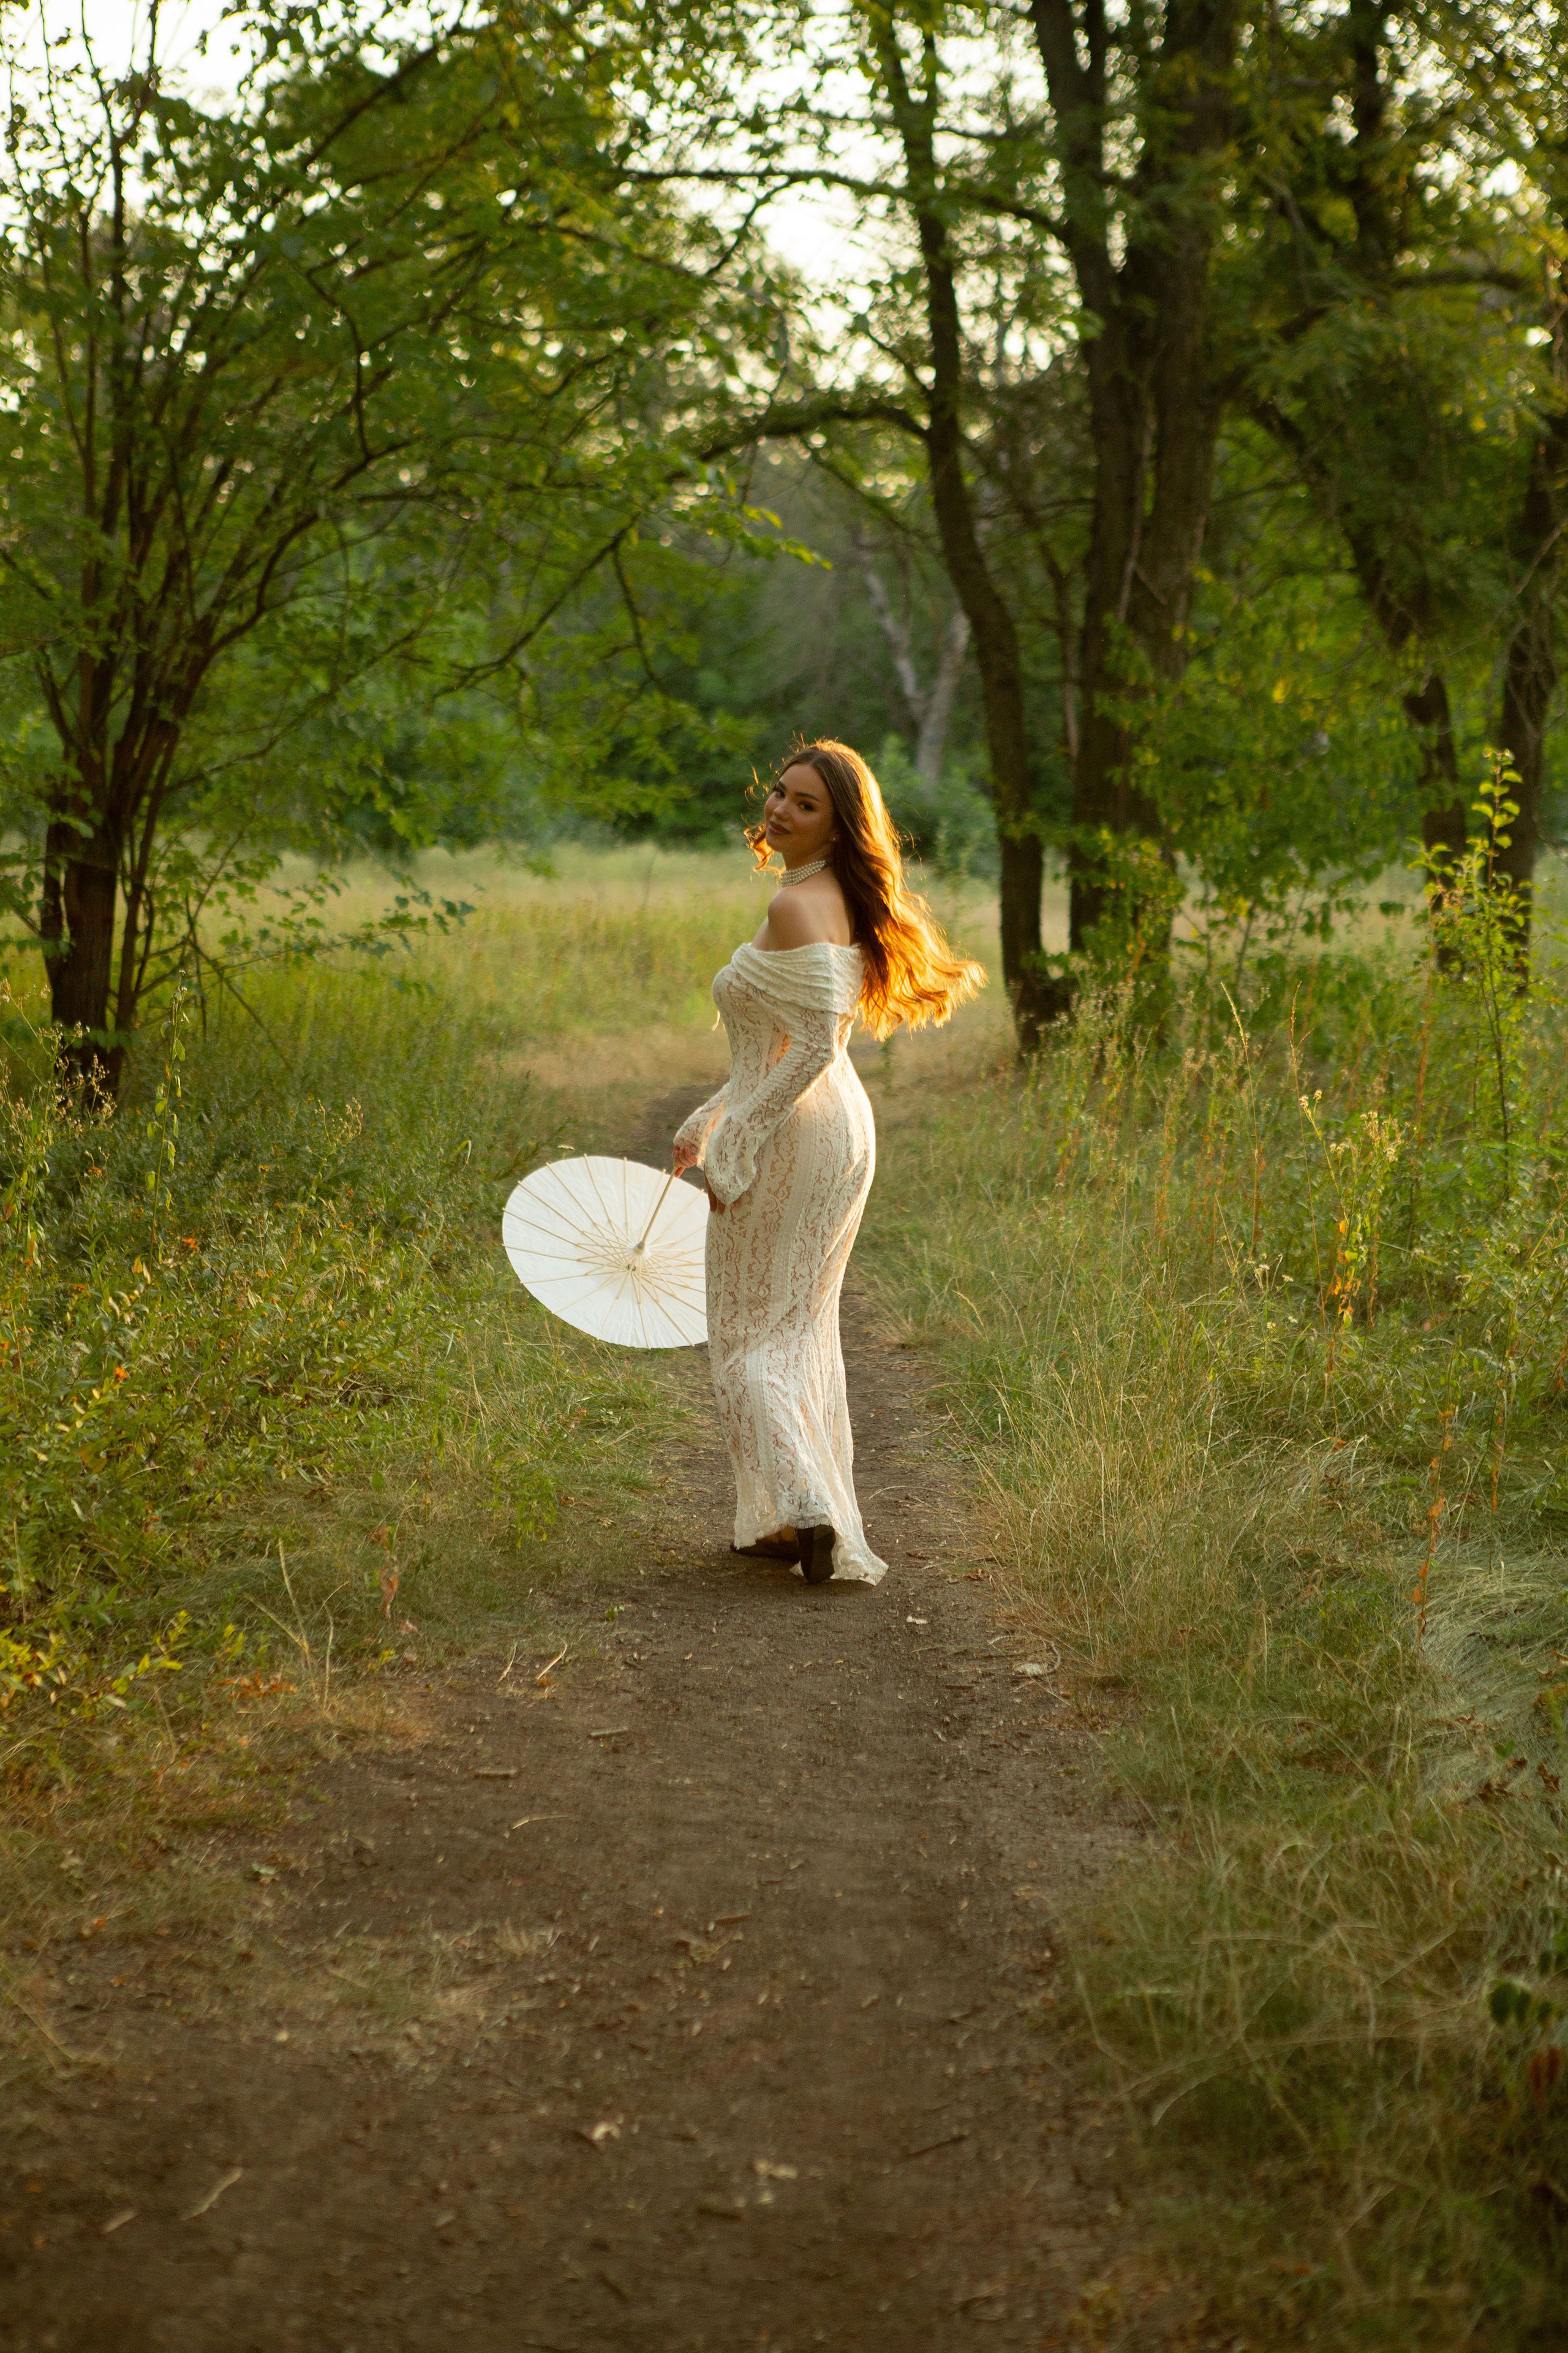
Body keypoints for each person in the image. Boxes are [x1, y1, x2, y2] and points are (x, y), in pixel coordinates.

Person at [672, 739, 984, 1586]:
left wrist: (739, 1142)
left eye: (804, 804)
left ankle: (806, 1506)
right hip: (839, 1126)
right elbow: (786, 1045)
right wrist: (710, 1116)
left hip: (799, 1131)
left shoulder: (796, 908)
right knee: (795, 1323)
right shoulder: (833, 896)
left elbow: (809, 1046)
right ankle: (786, 1517)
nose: (777, 809)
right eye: (779, 791)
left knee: (745, 1333)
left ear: (840, 827)